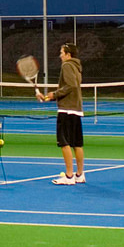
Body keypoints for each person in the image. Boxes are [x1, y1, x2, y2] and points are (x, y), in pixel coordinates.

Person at [37, 42, 85, 185]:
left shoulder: (67, 65)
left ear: (68, 55)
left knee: (64, 143)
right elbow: (71, 89)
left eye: (62, 53)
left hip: (67, 110)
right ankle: (79, 175)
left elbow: (70, 86)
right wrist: (49, 97)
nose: (60, 55)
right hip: (76, 109)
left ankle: (69, 177)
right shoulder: (77, 67)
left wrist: (53, 94)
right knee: (77, 143)